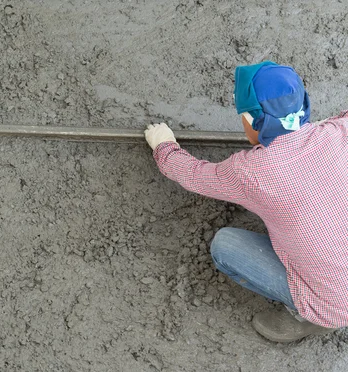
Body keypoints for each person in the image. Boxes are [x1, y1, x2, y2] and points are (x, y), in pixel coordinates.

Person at [144, 61, 348, 343]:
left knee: (225, 245)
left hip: (338, 302)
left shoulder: (249, 171)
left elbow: (192, 174)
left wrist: (164, 146)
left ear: (253, 121)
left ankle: (314, 316)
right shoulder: (340, 132)